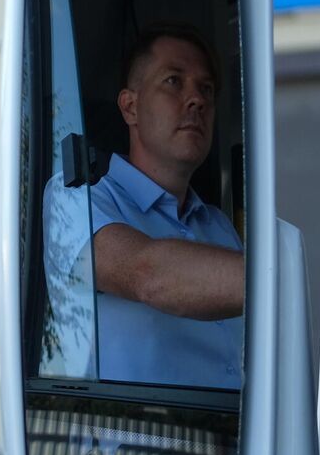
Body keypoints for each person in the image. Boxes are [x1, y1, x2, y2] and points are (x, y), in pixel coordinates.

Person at [83, 23, 246, 389]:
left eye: (206, 89)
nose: (197, 100)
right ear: (130, 107)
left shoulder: (218, 225)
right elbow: (148, 275)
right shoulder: (80, 199)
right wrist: (284, 278)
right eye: (174, 81)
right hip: (145, 445)